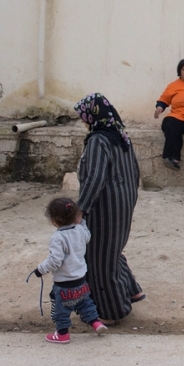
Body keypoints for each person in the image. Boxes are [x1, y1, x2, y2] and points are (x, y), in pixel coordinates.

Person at [75, 93, 145, 322]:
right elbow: (135, 172)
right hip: (123, 202)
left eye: (84, 117)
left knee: (99, 258)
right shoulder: (121, 136)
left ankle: (112, 311)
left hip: (104, 206)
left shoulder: (98, 141)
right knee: (112, 250)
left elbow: (94, 178)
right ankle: (133, 289)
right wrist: (129, 199)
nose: (83, 122)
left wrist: (81, 209)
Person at [32, 197, 107, 344]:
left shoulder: (58, 238)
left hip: (64, 285)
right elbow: (87, 236)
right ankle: (96, 323)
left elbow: (55, 261)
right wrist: (82, 222)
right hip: (81, 281)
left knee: (61, 310)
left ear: (54, 221)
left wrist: (40, 269)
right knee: (85, 304)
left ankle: (62, 334)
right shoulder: (80, 230)